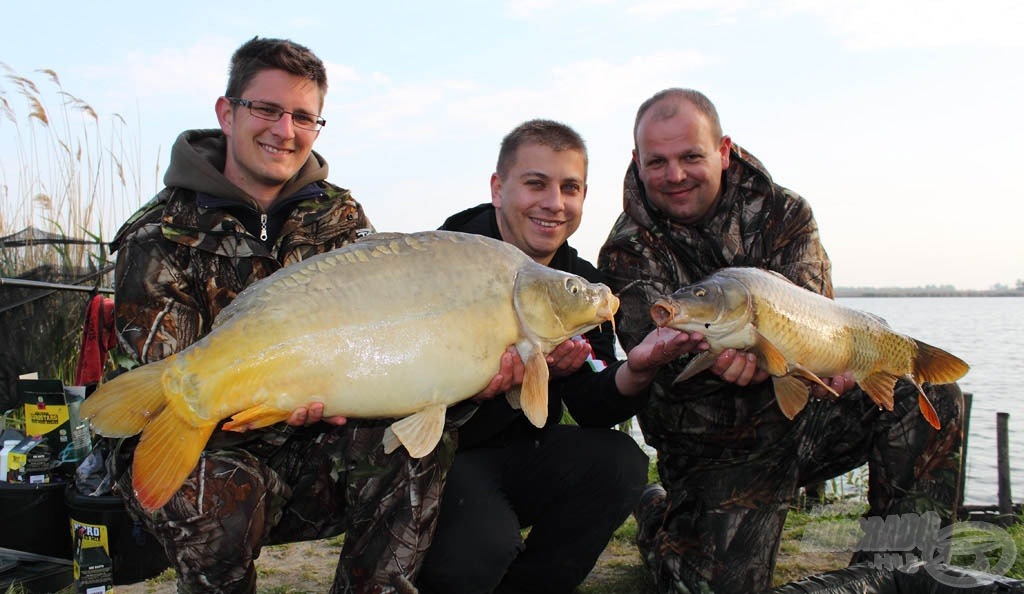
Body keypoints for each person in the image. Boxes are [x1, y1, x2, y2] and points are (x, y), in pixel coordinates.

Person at [100, 37, 517, 594]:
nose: (284, 130)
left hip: (317, 447)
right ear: (227, 113)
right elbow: (152, 377)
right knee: (214, 498)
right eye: (266, 109)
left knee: (417, 445)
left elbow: (398, 350)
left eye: (303, 116)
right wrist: (266, 403)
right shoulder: (159, 233)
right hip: (211, 447)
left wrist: (471, 379)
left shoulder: (343, 219)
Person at [597, 88, 965, 594]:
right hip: (714, 450)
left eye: (691, 156)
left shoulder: (784, 213)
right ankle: (661, 516)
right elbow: (657, 371)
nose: (675, 174)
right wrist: (719, 364)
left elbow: (820, 327)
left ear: (723, 151)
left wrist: (821, 370)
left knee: (931, 397)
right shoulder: (625, 251)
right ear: (638, 162)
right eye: (657, 161)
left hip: (806, 415)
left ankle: (902, 570)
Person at [415, 119, 698, 594]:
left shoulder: (578, 284)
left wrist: (637, 369)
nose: (554, 203)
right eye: (536, 184)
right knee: (485, 547)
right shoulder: (446, 257)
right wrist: (497, 379)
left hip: (522, 454)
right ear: (498, 189)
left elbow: (592, 400)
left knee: (620, 463)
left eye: (570, 188)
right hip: (438, 458)